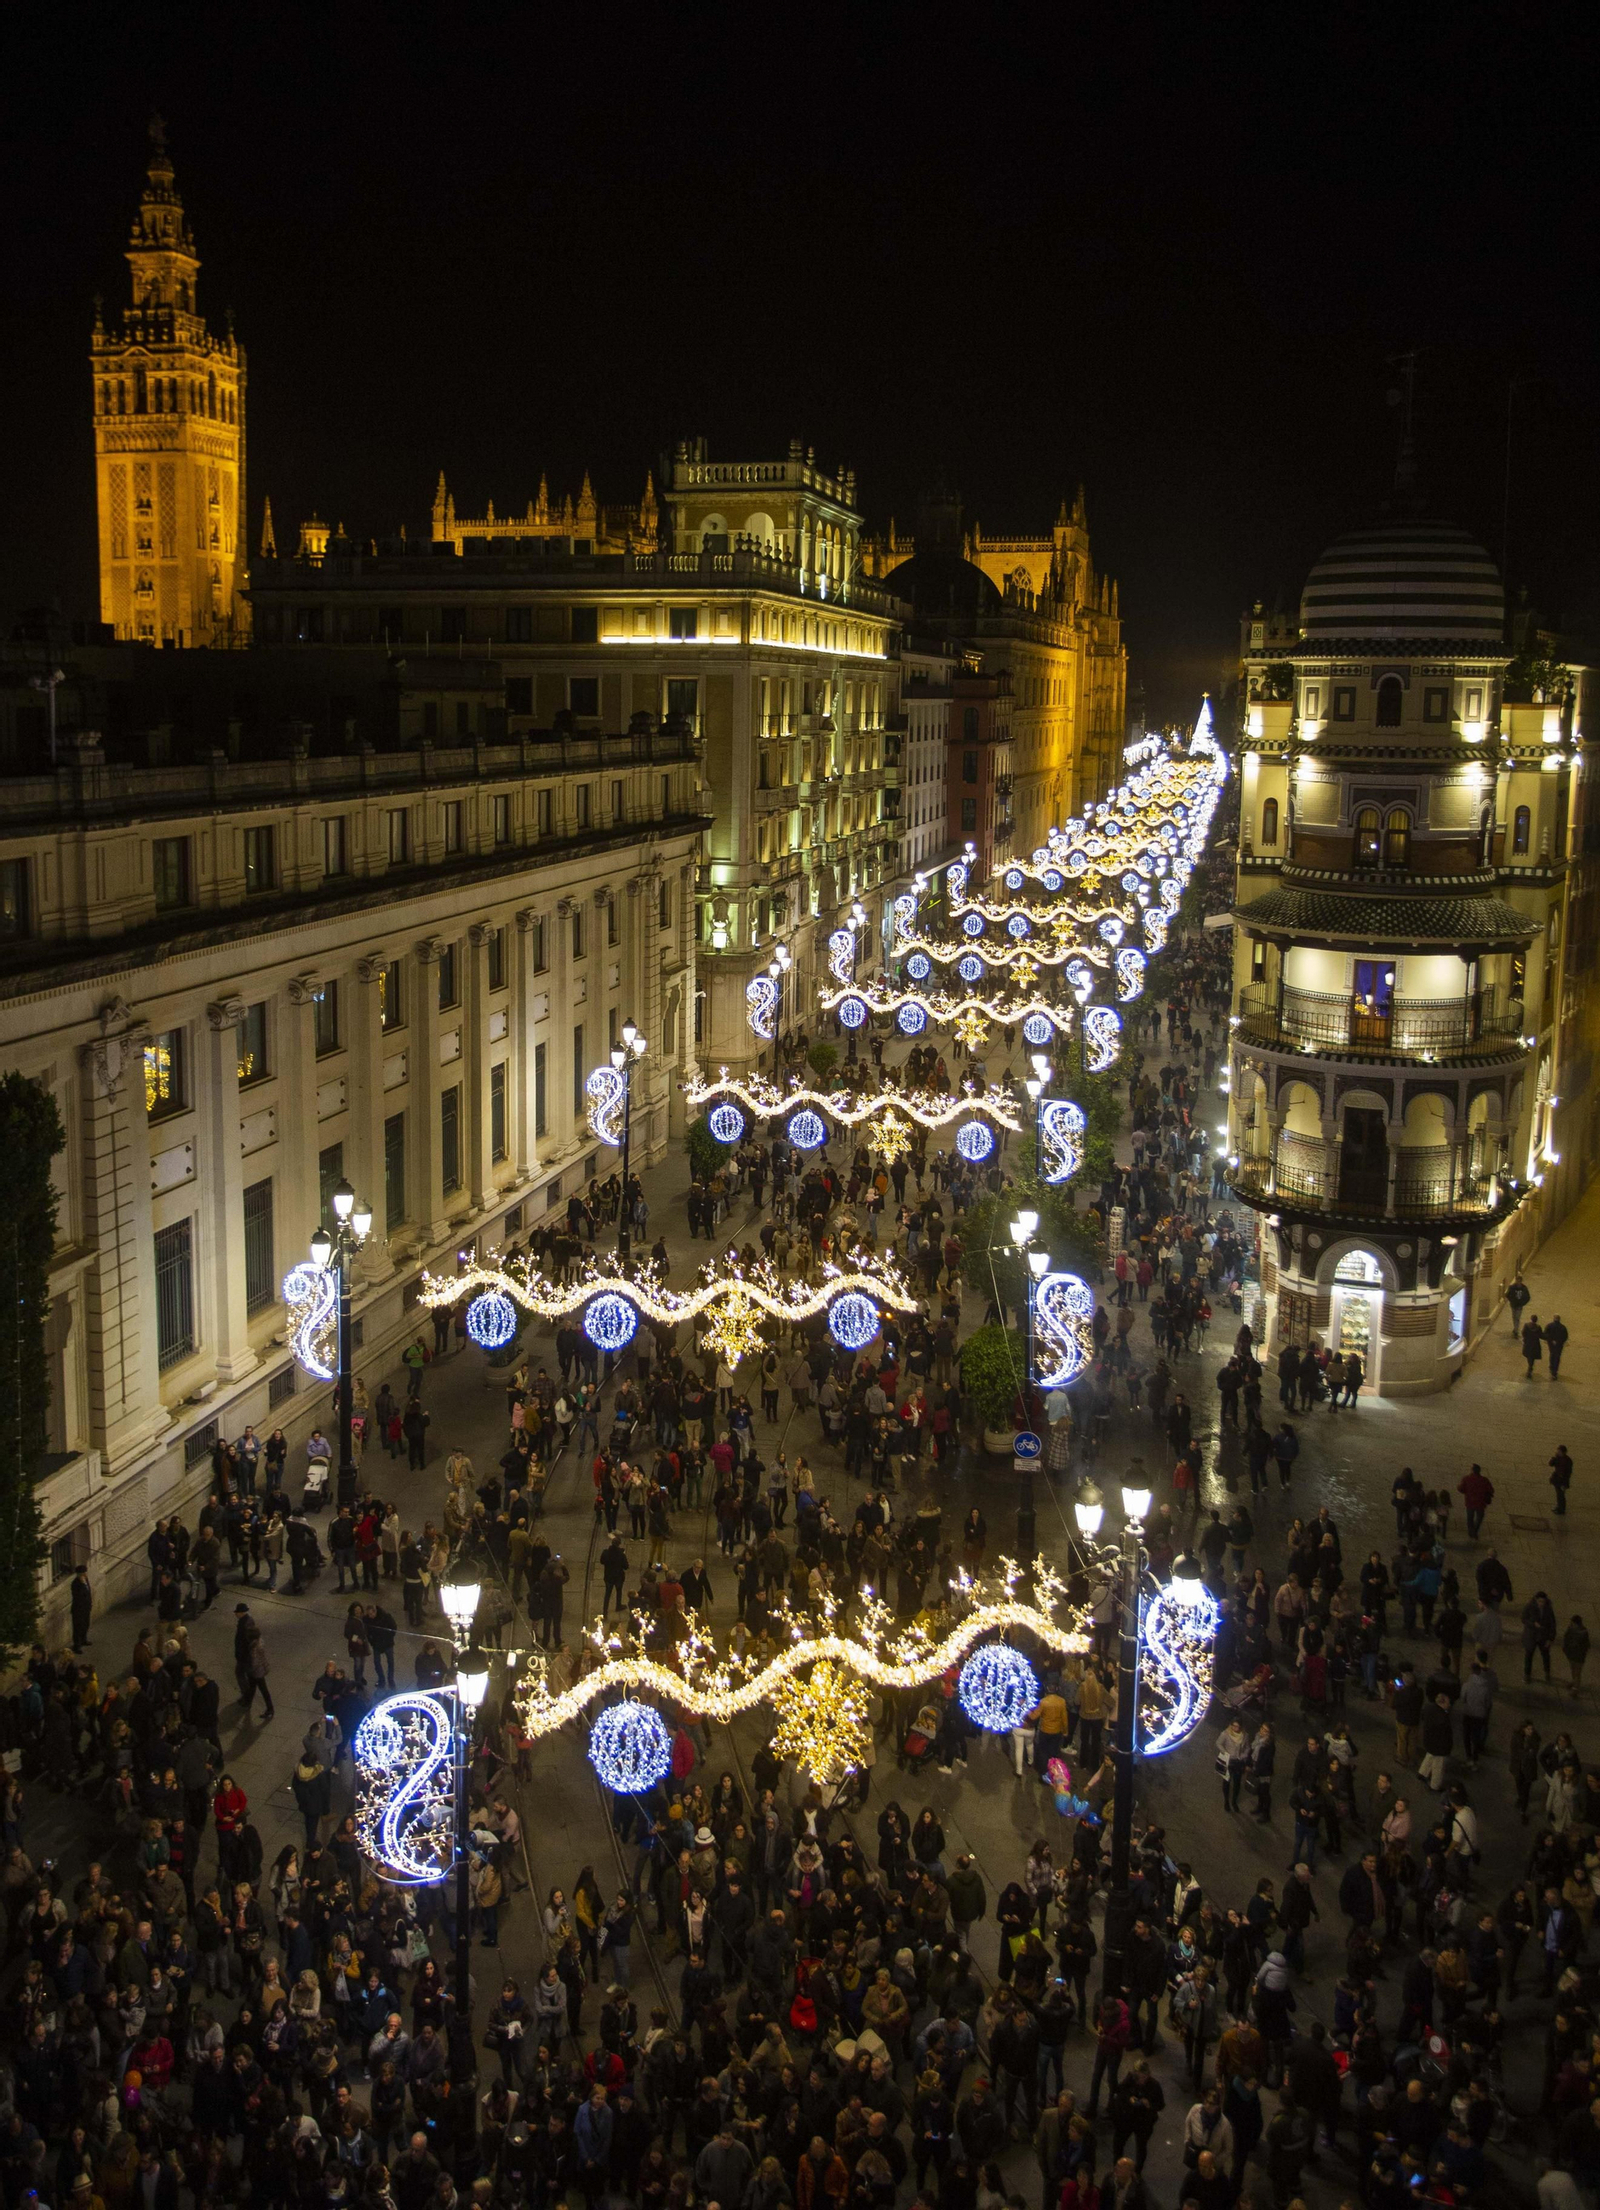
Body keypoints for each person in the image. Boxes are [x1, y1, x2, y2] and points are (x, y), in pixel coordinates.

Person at [1550, 1443, 1574, 1515]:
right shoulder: (1558, 1458)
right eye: (1557, 1451)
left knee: (1561, 1495)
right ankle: (1558, 1507)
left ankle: (1561, 1509)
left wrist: (1565, 1484)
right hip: (1557, 1479)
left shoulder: (1568, 1461)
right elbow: (1550, 1464)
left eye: (1559, 1451)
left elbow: (1568, 1473)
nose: (1558, 1452)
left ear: (1563, 1452)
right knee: (1558, 1494)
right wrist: (1553, 1458)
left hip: (1562, 1481)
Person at [1545, 1312, 1569, 1377]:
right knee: (1557, 1356)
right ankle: (1555, 1370)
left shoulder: (1549, 1325)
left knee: (1552, 1354)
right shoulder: (1563, 1327)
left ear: (1554, 1319)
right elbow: (1565, 1336)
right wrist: (1560, 1342)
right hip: (1559, 1345)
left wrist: (1550, 1340)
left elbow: (1546, 1334)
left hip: (1551, 1344)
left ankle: (1551, 1366)